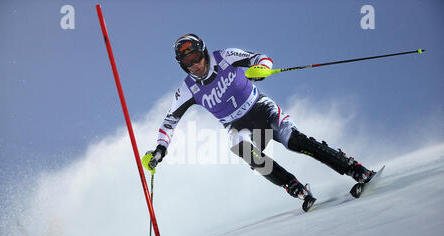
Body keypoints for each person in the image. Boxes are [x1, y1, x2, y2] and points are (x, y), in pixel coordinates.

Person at [145, 34, 375, 207]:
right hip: (238, 125)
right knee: (241, 148)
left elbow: (260, 57)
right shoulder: (187, 89)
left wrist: (262, 68)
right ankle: (294, 187)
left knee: (294, 141)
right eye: (188, 62)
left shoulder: (224, 56)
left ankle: (354, 169)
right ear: (182, 65)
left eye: (196, 57)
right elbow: (169, 121)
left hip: (261, 108)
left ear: (203, 52)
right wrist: (159, 150)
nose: (195, 64)